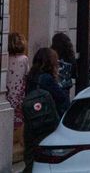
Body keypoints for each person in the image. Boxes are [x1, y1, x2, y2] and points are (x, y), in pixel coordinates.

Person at [24, 48, 70, 172]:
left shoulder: (32, 76)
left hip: (32, 119)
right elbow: (62, 99)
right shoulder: (47, 79)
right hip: (47, 121)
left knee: (31, 155)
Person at [7, 33, 29, 161]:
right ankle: (19, 144)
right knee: (19, 120)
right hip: (19, 94)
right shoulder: (24, 59)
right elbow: (27, 75)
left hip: (8, 93)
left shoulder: (6, 58)